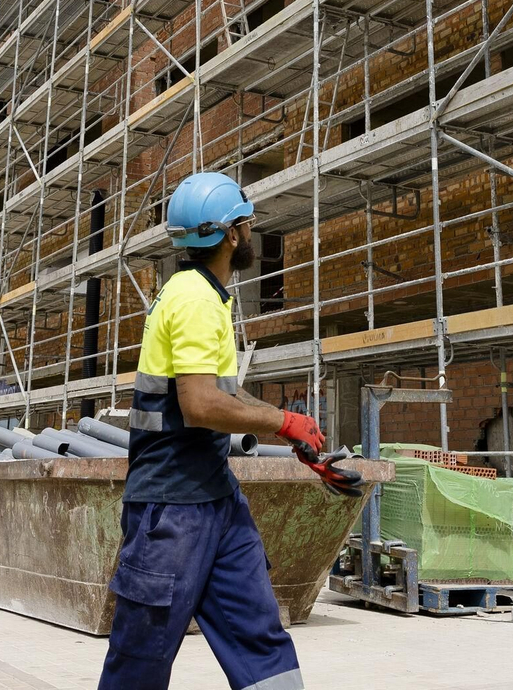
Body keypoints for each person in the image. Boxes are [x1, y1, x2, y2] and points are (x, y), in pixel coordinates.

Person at [98, 171, 360, 690]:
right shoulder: (195, 301)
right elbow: (198, 405)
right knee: (141, 656)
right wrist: (283, 419)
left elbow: (223, 393)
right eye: (246, 223)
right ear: (229, 234)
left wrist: (290, 432)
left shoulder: (204, 294)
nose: (250, 232)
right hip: (171, 509)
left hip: (214, 497)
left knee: (259, 635)